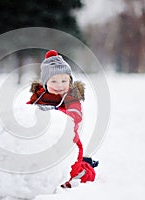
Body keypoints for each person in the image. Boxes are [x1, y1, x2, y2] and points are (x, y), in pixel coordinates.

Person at [27, 50, 98, 188]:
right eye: (54, 81)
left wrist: (56, 114)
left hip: (69, 144)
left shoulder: (71, 99)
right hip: (43, 143)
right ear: (45, 84)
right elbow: (27, 113)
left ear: (70, 81)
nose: (59, 85)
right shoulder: (39, 99)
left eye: (64, 80)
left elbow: (75, 116)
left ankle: (86, 167)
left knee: (73, 173)